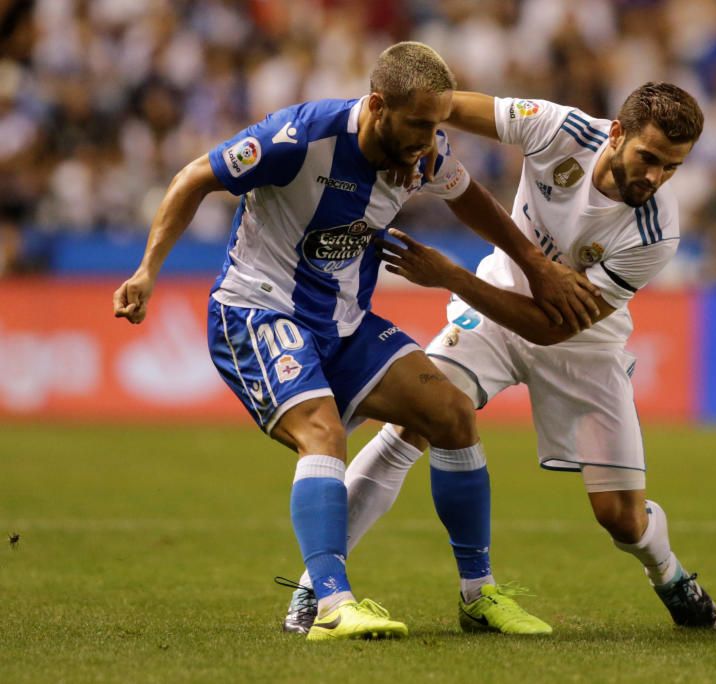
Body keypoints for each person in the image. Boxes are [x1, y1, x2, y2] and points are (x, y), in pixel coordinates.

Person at [113, 42, 598, 641]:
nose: (430, 138)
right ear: (377, 106)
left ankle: (479, 596)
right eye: (418, 123)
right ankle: (329, 605)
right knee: (323, 432)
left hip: (344, 320)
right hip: (260, 309)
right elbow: (193, 179)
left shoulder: (421, 151)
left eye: (437, 123)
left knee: (450, 414)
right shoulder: (296, 138)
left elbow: (470, 196)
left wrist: (533, 261)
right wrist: (146, 271)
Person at [283, 82, 716, 632]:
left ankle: (669, 573)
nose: (655, 177)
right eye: (649, 158)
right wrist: (399, 142)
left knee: (622, 520)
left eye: (672, 168)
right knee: (411, 427)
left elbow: (550, 327)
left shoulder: (656, 232)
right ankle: (315, 591)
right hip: (490, 316)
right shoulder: (558, 128)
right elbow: (443, 103)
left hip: (582, 345)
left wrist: (450, 277)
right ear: (617, 133)